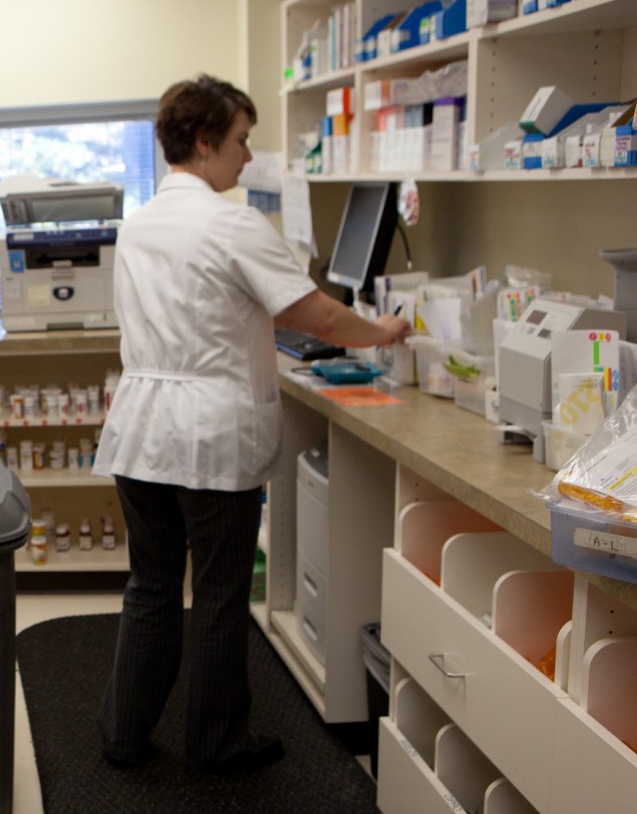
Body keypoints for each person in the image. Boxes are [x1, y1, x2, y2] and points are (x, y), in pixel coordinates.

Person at [92, 74, 410, 773]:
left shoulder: (138, 222)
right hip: (208, 433)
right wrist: (381, 330)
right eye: (241, 140)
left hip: (140, 430)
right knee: (217, 591)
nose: (248, 155)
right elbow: (315, 314)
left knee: (149, 584)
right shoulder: (229, 222)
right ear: (205, 142)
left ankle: (122, 734)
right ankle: (215, 744)